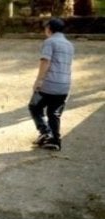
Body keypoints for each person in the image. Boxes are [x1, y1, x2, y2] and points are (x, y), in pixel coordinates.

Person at [28, 18, 74, 151]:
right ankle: (55, 140)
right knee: (54, 113)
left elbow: (45, 62)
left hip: (49, 84)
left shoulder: (50, 42)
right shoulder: (69, 45)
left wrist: (39, 80)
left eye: (45, 28)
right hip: (64, 86)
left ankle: (45, 132)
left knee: (34, 106)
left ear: (49, 29)